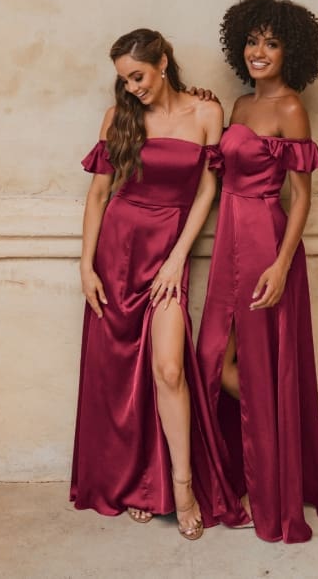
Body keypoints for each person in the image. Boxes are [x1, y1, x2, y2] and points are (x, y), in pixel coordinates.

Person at [70, 28, 243, 540]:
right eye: (124, 79)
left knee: (169, 370)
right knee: (121, 374)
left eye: (138, 75)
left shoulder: (207, 113)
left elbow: (207, 189)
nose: (133, 87)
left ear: (163, 62)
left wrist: (177, 259)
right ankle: (136, 483)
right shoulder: (120, 117)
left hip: (169, 251)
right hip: (117, 253)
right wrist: (86, 266)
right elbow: (100, 195)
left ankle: (182, 485)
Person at [196, 0, 318, 543]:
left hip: (267, 240)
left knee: (261, 368)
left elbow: (301, 196)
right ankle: (306, 441)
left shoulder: (291, 108)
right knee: (210, 361)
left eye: (272, 42)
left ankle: (283, 473)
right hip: (228, 244)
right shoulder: (238, 105)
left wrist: (283, 264)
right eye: (252, 40)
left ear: (292, 52)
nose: (259, 51)